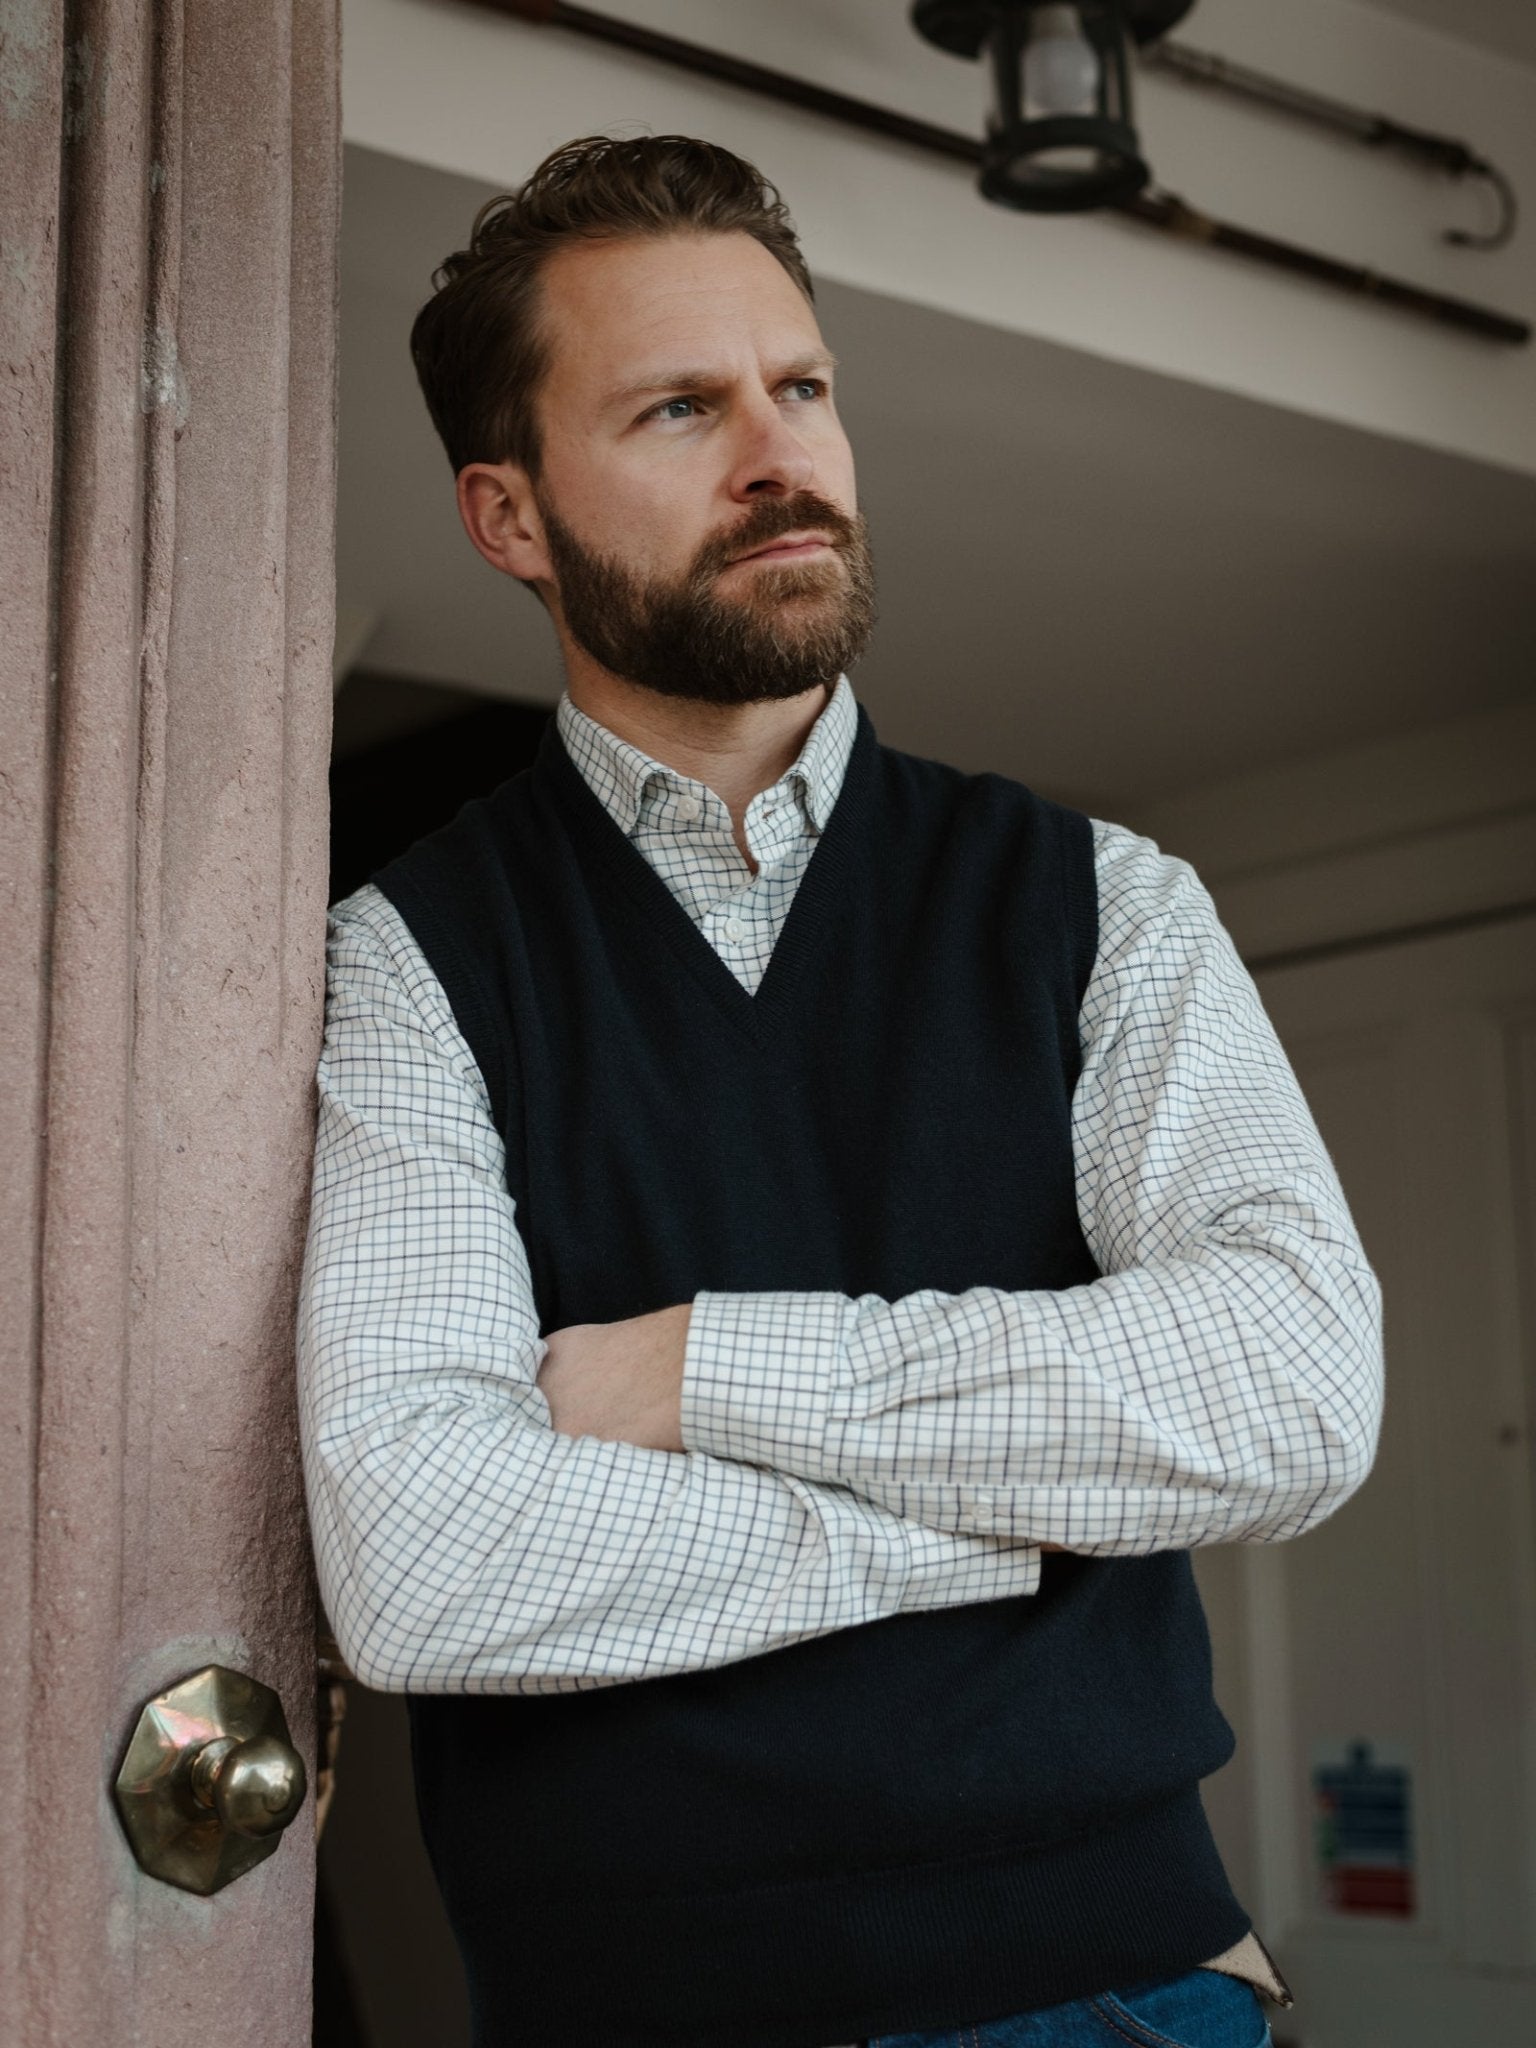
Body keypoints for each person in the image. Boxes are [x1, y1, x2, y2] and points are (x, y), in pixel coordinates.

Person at [298, 134, 1382, 2048]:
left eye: (802, 388)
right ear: (511, 514)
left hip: (1120, 1997)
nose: (779, 456)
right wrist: (1021, 1512)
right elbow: (428, 1563)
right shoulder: (406, 959)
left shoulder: (1102, 903)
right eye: (679, 408)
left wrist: (695, 1371)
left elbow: (1291, 1388)